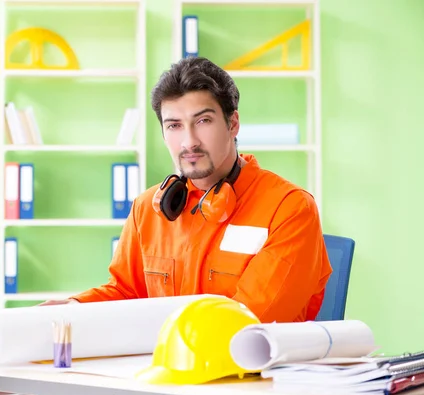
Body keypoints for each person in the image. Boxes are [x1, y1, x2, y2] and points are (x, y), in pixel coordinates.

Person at [39, 56, 332, 324]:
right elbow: (127, 291)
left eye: (203, 121)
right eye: (174, 125)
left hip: (252, 377)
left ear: (233, 124)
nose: (188, 142)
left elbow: (250, 322)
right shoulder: (148, 208)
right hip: (167, 372)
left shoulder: (289, 210)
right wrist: (74, 307)